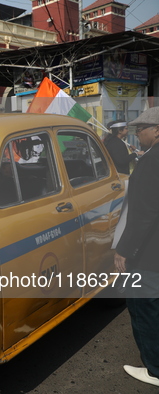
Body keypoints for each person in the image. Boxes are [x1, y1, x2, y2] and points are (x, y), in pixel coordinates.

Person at [114, 106, 159, 387]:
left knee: (144, 308)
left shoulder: (151, 162)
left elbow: (143, 214)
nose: (137, 134)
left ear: (156, 130)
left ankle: (154, 368)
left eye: (140, 130)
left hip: (149, 253)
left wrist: (124, 250)